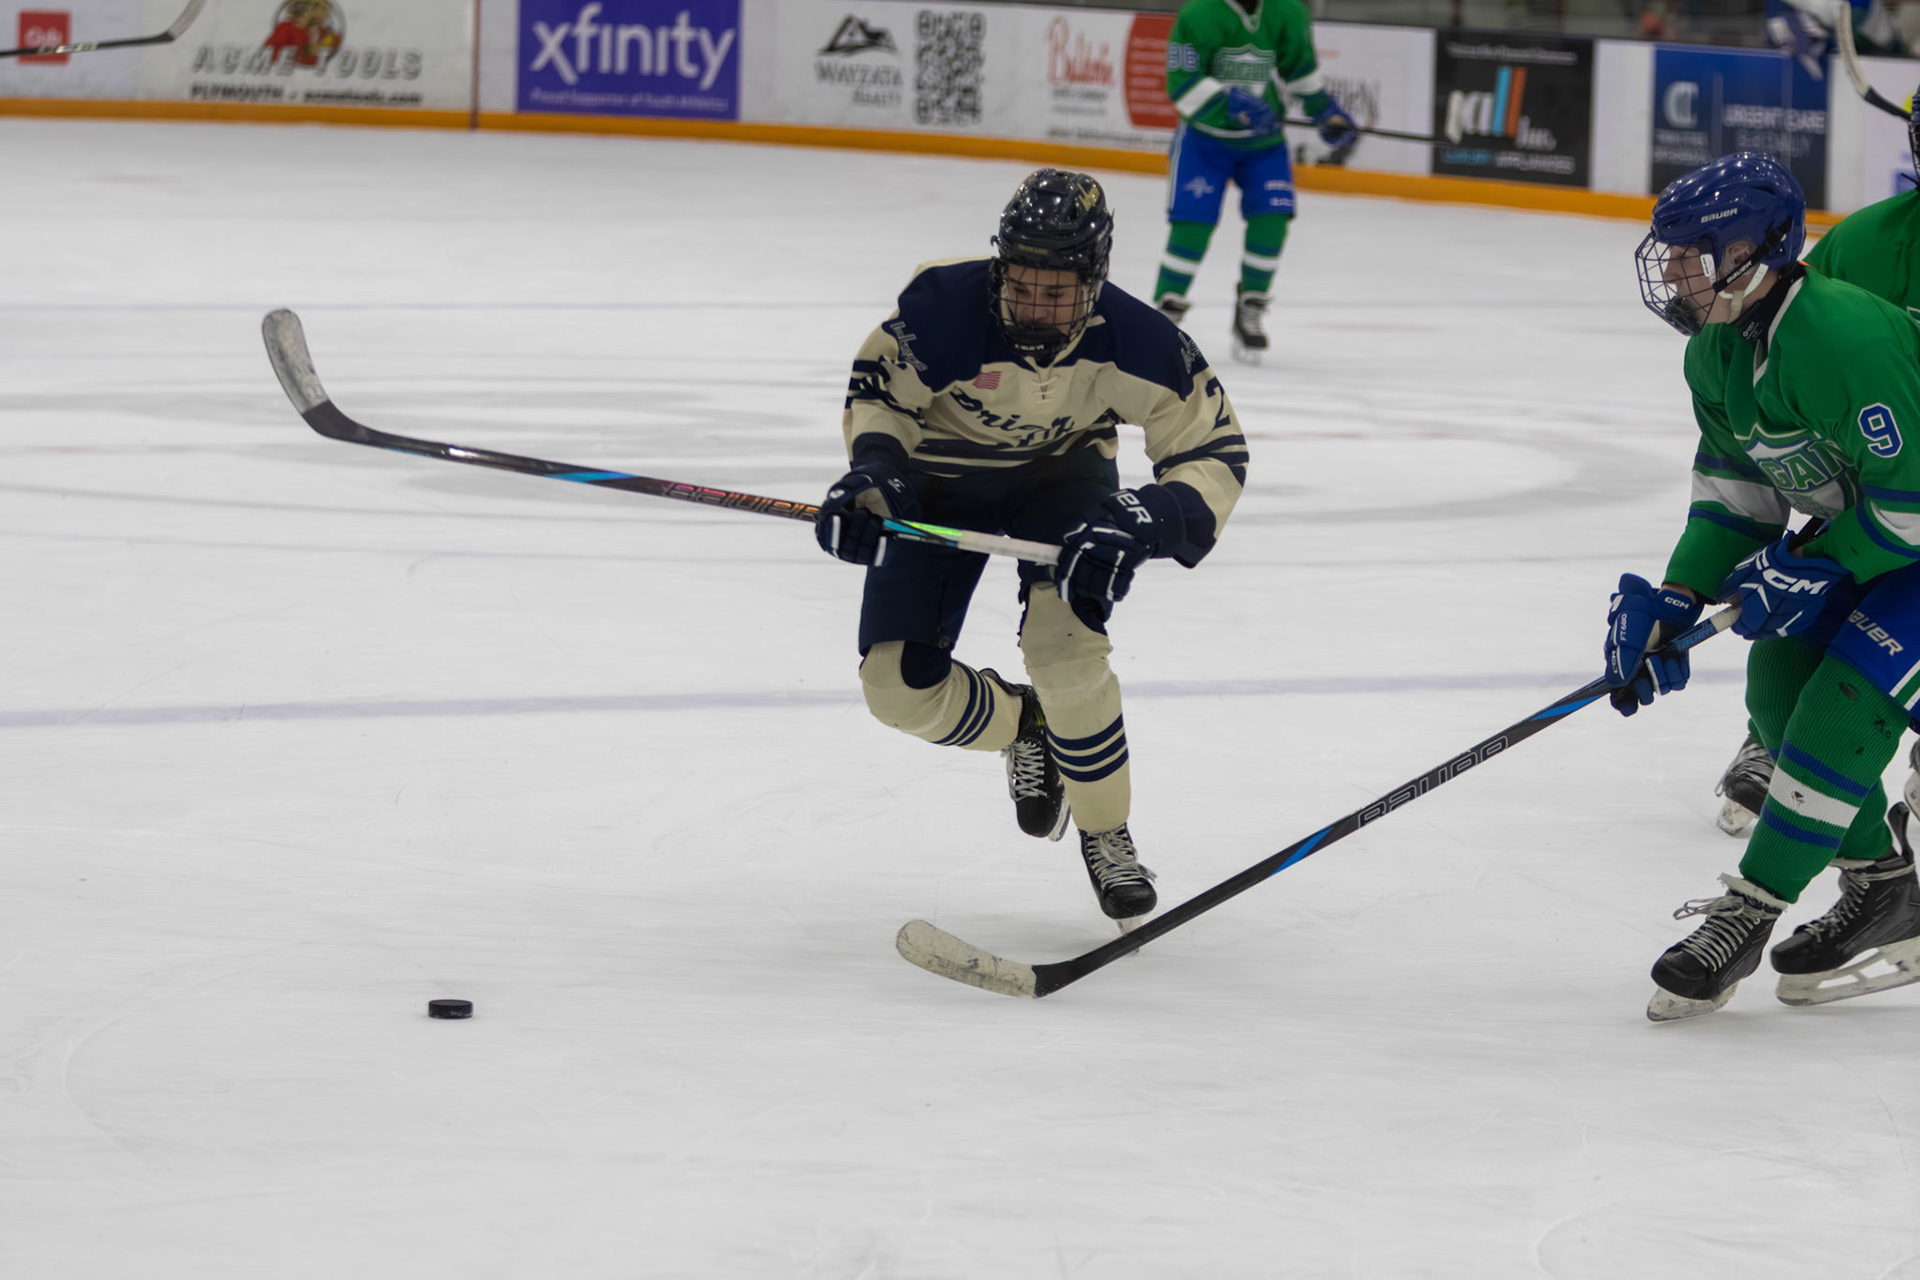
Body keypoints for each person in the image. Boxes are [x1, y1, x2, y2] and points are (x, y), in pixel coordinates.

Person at [814, 169, 1249, 925]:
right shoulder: (940, 309)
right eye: (1021, 283)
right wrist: (873, 477)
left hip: (1062, 480)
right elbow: (882, 398)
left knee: (1066, 652)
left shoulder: (1139, 339)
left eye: (1058, 291)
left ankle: (1106, 832)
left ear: (1094, 279)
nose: (1035, 306)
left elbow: (1213, 451)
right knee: (895, 689)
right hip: (940, 481)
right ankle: (1026, 726)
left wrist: (1146, 515)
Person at [1607, 151, 1920, 1021]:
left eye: (1697, 253)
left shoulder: (1846, 339)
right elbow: (1736, 496)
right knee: (1777, 687)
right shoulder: (1715, 351)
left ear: (1759, 253)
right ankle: (1884, 886)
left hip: (1907, 533)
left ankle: (1750, 910)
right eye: (1671, 252)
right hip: (1879, 539)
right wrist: (1677, 597)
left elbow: (1913, 504)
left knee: (1845, 699)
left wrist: (1819, 566)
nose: (1675, 272)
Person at [1710, 101, 1920, 838]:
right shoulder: (1865, 244)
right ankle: (1777, 734)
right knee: (1792, 643)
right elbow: (1785, 365)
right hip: (1886, 502)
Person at [1154, 0, 1357, 359]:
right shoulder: (1199, 13)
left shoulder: (1287, 10)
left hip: (1263, 143)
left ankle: (1252, 304)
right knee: (1192, 225)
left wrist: (1325, 112)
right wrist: (1229, 103)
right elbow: (1182, 82)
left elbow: (1300, 69)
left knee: (1272, 218)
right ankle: (1164, 316)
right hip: (1204, 141)